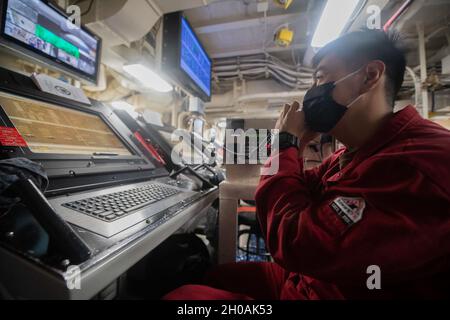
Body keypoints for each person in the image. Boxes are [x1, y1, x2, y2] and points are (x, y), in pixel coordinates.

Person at [164, 29, 450, 300]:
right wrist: (294, 145)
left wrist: (286, 143)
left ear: (370, 76)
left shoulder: (419, 163)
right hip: (310, 280)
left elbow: (293, 241)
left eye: (321, 78)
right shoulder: (355, 153)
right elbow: (298, 191)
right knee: (218, 276)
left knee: (184, 298)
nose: (312, 92)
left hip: (323, 283)